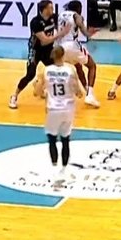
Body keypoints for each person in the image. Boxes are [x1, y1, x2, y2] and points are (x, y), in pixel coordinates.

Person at [9, 0, 71, 109]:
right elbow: (44, 41)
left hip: (48, 50)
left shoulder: (53, 17)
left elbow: (64, 22)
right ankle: (14, 96)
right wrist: (60, 34)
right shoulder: (35, 22)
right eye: (50, 7)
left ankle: (40, 85)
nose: (52, 9)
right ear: (44, 9)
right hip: (35, 50)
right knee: (30, 74)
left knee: (56, 70)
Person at [33, 46, 84, 178]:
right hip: (68, 108)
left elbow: (36, 92)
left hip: (53, 109)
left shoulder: (46, 70)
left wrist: (43, 92)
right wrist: (75, 91)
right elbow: (79, 92)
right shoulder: (70, 70)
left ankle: (54, 166)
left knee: (52, 138)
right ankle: (64, 168)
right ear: (63, 55)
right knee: (65, 138)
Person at [56, 0, 100, 108]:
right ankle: (90, 95)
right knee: (92, 66)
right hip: (72, 45)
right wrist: (90, 32)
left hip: (60, 47)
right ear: (79, 8)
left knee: (78, 66)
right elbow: (85, 32)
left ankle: (86, 90)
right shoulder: (77, 16)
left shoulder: (60, 15)